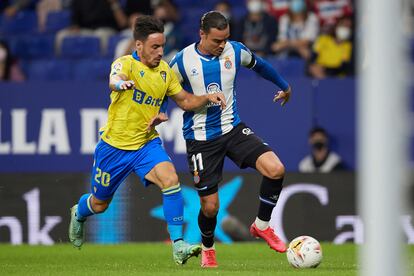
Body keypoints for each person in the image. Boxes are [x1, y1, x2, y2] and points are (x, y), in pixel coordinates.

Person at [68, 15, 226, 266]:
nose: (160, 51)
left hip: (145, 145)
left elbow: (185, 100)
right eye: (155, 46)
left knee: (171, 179)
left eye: (162, 46)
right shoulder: (125, 65)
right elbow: (114, 80)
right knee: (99, 205)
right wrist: (121, 85)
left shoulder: (165, 71)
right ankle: (79, 213)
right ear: (138, 45)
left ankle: (178, 245)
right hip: (114, 148)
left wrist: (208, 97)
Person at [161, 11, 292, 268]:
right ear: (202, 34)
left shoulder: (235, 51)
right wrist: (161, 111)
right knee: (210, 207)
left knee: (276, 169)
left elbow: (261, 65)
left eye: (225, 39)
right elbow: (164, 86)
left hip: (232, 129)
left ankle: (262, 226)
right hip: (200, 139)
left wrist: (285, 86)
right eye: (217, 40)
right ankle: (208, 248)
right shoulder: (182, 61)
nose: (222, 45)